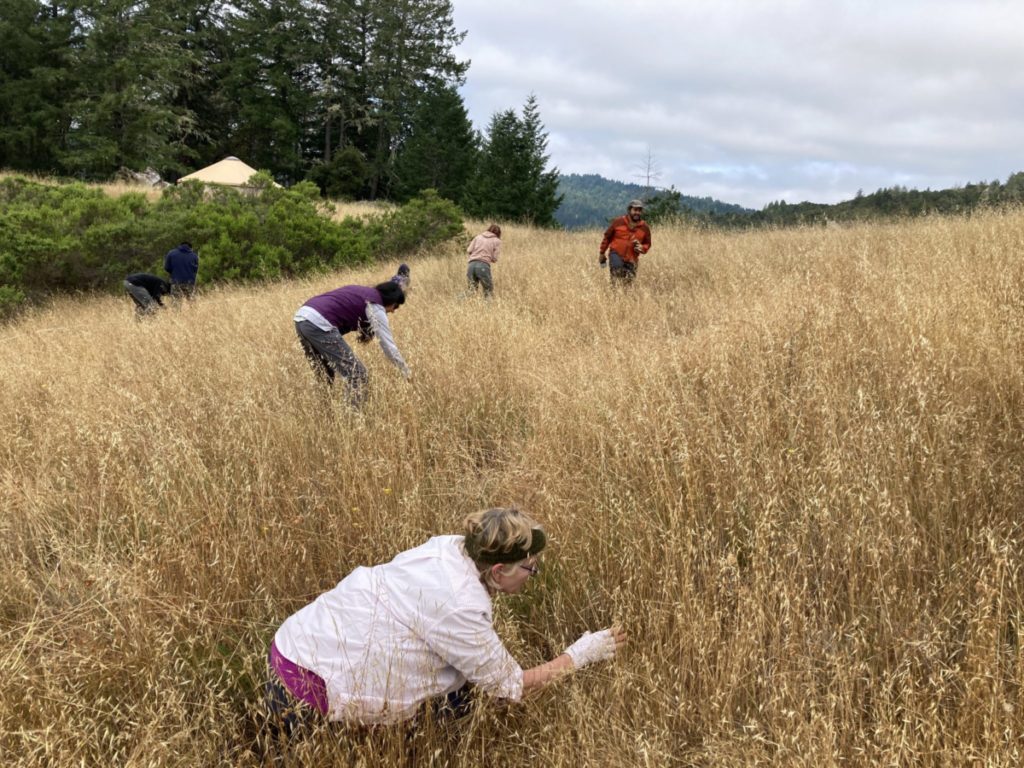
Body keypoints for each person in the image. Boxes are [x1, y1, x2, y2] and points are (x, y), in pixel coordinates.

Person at [266, 507, 626, 736]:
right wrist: (581, 654)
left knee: (457, 692)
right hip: (308, 690)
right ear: (499, 572)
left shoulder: (449, 547)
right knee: (455, 708)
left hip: (291, 643)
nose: (534, 574)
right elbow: (513, 687)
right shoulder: (459, 607)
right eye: (531, 568)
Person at [293, 269, 411, 405]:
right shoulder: (375, 307)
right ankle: (352, 419)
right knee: (358, 375)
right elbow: (388, 346)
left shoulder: (363, 291)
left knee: (324, 374)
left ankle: (324, 415)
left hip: (302, 317)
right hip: (319, 323)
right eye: (395, 307)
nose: (393, 311)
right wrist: (406, 371)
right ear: (391, 300)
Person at [599, 200, 651, 284]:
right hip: (616, 254)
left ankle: (622, 296)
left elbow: (647, 244)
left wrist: (642, 248)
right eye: (635, 210)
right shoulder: (618, 222)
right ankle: (614, 294)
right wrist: (602, 252)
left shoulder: (645, 227)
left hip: (632, 259)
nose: (637, 212)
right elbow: (607, 237)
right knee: (617, 272)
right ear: (629, 210)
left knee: (628, 284)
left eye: (639, 210)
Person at [466, 224, 501, 297]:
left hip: (471, 265)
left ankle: (459, 301)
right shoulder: (497, 241)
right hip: (483, 266)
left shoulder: (478, 237)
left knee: (471, 290)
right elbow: (494, 258)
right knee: (488, 290)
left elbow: (469, 250)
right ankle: (488, 308)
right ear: (498, 233)